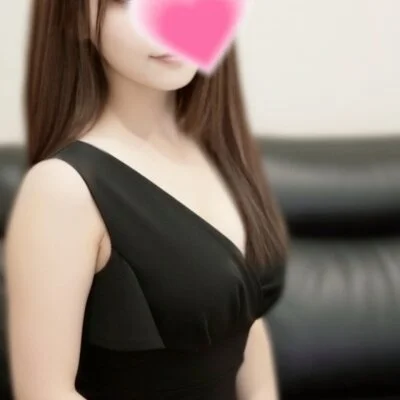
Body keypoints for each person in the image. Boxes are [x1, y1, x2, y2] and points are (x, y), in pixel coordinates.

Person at [4, 0, 290, 399]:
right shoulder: (62, 189)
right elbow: (45, 392)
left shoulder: (217, 155)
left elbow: (245, 322)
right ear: (76, 20)